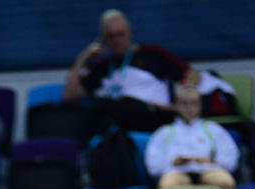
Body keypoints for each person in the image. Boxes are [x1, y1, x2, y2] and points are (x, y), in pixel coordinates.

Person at [63, 9, 195, 131]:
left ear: (130, 34)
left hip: (154, 115)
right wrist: (83, 58)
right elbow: (69, 96)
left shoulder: (152, 53)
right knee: (96, 109)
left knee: (108, 105)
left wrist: (181, 104)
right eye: (111, 36)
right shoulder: (103, 67)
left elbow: (192, 75)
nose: (117, 40)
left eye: (121, 34)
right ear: (103, 40)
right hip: (117, 119)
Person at [145, 85, 239, 189]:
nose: (189, 109)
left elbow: (231, 158)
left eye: (194, 103)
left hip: (209, 170)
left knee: (227, 183)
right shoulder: (164, 132)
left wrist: (211, 162)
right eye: (184, 104)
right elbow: (153, 165)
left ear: (200, 106)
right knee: (166, 186)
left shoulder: (213, 129)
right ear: (176, 106)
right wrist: (172, 163)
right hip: (176, 171)